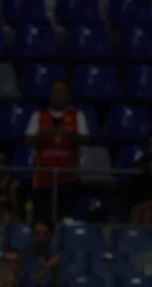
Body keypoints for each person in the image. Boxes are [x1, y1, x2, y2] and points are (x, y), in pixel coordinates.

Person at [25, 80, 89, 216]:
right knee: (43, 218)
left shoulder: (77, 116)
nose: (58, 94)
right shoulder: (38, 116)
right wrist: (44, 134)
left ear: (68, 95)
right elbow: (28, 140)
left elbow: (86, 140)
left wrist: (70, 134)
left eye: (62, 91)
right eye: (55, 91)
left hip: (69, 177)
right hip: (44, 177)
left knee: (67, 218)